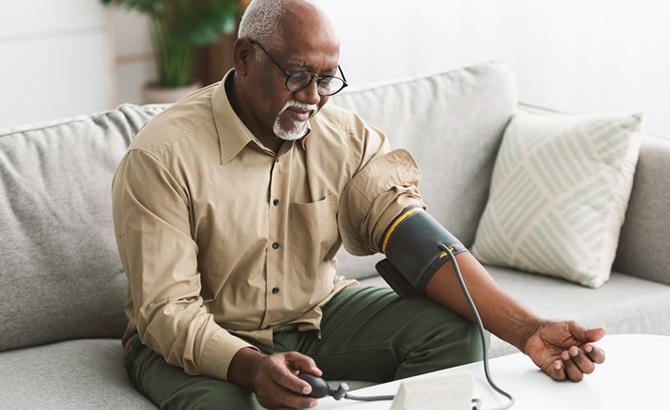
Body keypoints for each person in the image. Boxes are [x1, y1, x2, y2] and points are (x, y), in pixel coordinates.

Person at [111, 0, 606, 409]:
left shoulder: (346, 138)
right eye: (298, 74)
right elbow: (166, 311)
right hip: (200, 336)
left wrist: (528, 331)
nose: (313, 97)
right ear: (243, 55)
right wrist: (250, 366)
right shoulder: (162, 156)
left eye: (327, 79)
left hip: (315, 314)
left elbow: (417, 241)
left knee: (458, 334)